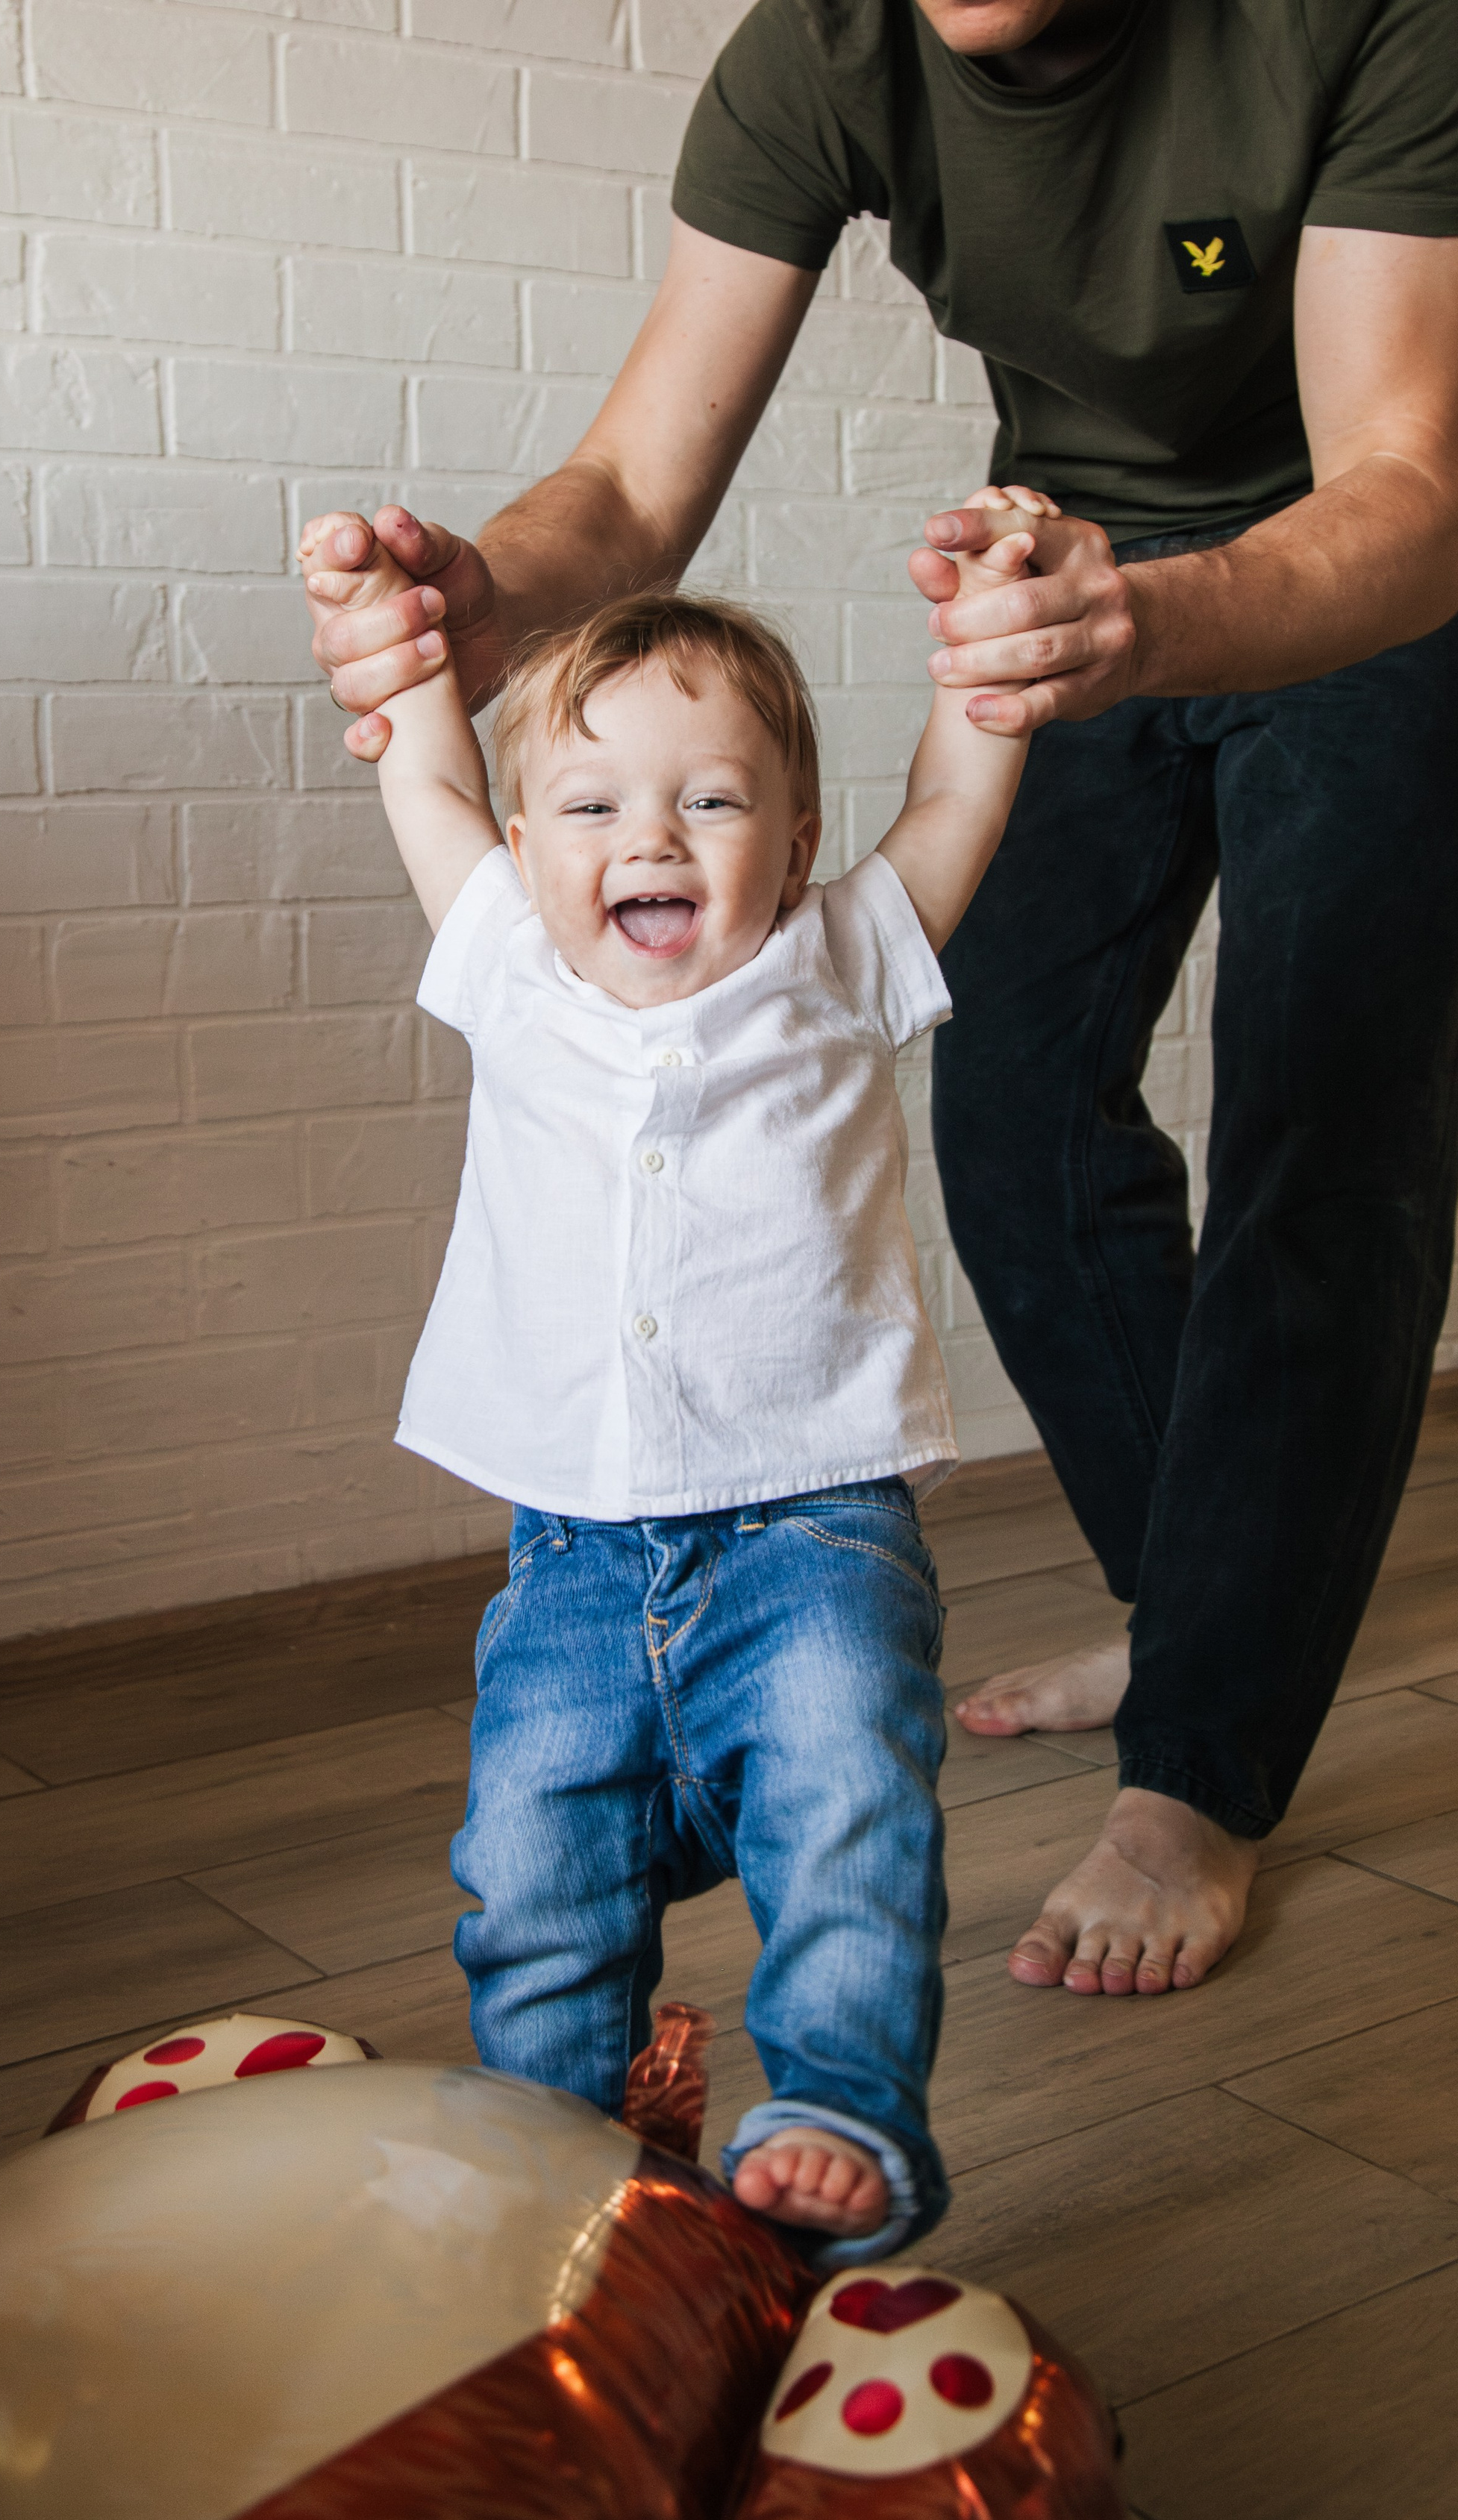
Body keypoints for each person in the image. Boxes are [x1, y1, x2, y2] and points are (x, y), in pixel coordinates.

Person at [303, 0, 1458, 2003]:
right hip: (1076, 535)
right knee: (1019, 1100)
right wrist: (474, 591)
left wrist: (1148, 612)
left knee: (1330, 1138)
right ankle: (1192, 1603)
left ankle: (1200, 1772)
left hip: (1389, 553)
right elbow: (621, 496)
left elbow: (1408, 485)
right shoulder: (818, 51)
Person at [297, 498, 1049, 2257]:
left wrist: (989, 643)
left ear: (792, 843)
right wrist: (393, 630)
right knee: (533, 1877)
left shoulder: (842, 959)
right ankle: (565, 2160)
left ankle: (834, 2115)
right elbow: (421, 786)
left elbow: (950, 801)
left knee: (848, 1819)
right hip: (566, 1548)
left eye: (710, 799)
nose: (651, 836)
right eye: (589, 806)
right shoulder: (504, 966)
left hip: (812, 1537)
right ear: (531, 847)